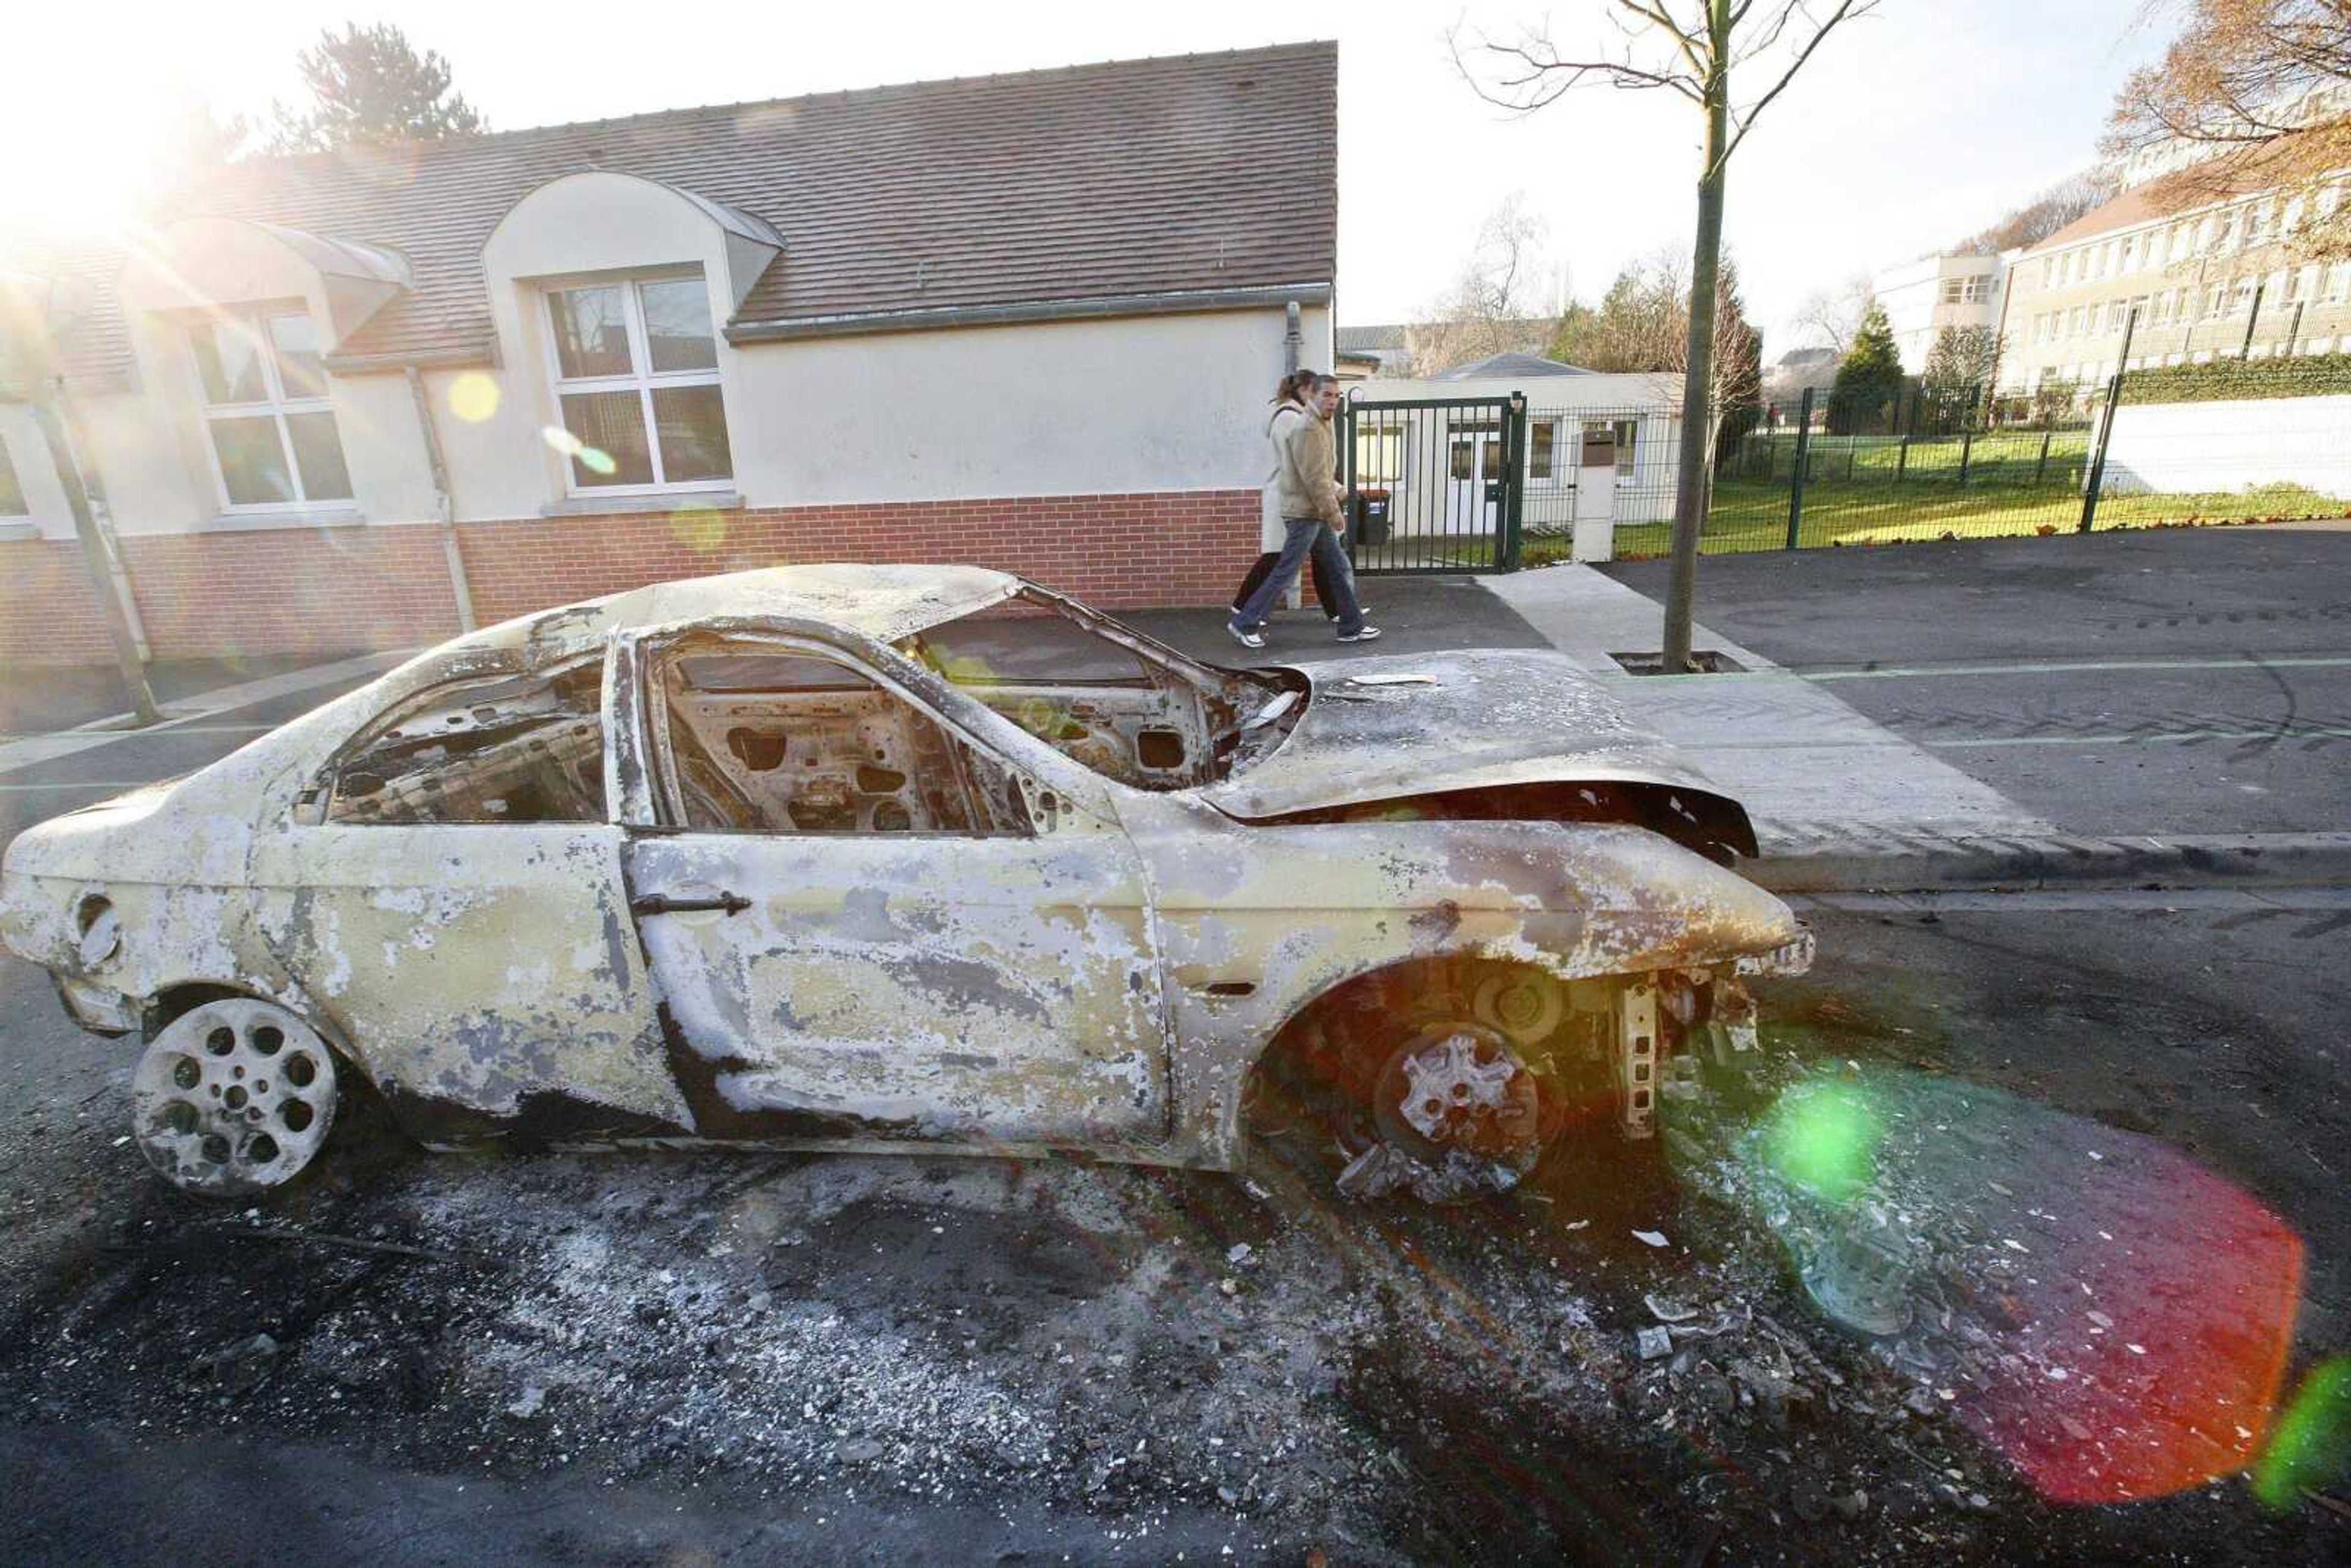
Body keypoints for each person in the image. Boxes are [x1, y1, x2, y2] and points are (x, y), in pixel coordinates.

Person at [1227, 370, 1378, 649]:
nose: (1333, 401)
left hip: (1312, 511)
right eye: (1327, 395)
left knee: (1334, 565)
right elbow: (1315, 477)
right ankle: (1244, 622)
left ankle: (1350, 626)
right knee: (1286, 569)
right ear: (1312, 394)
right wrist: (1334, 513)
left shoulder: (1321, 422)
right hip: (1304, 512)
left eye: (1337, 395)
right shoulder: (1307, 427)